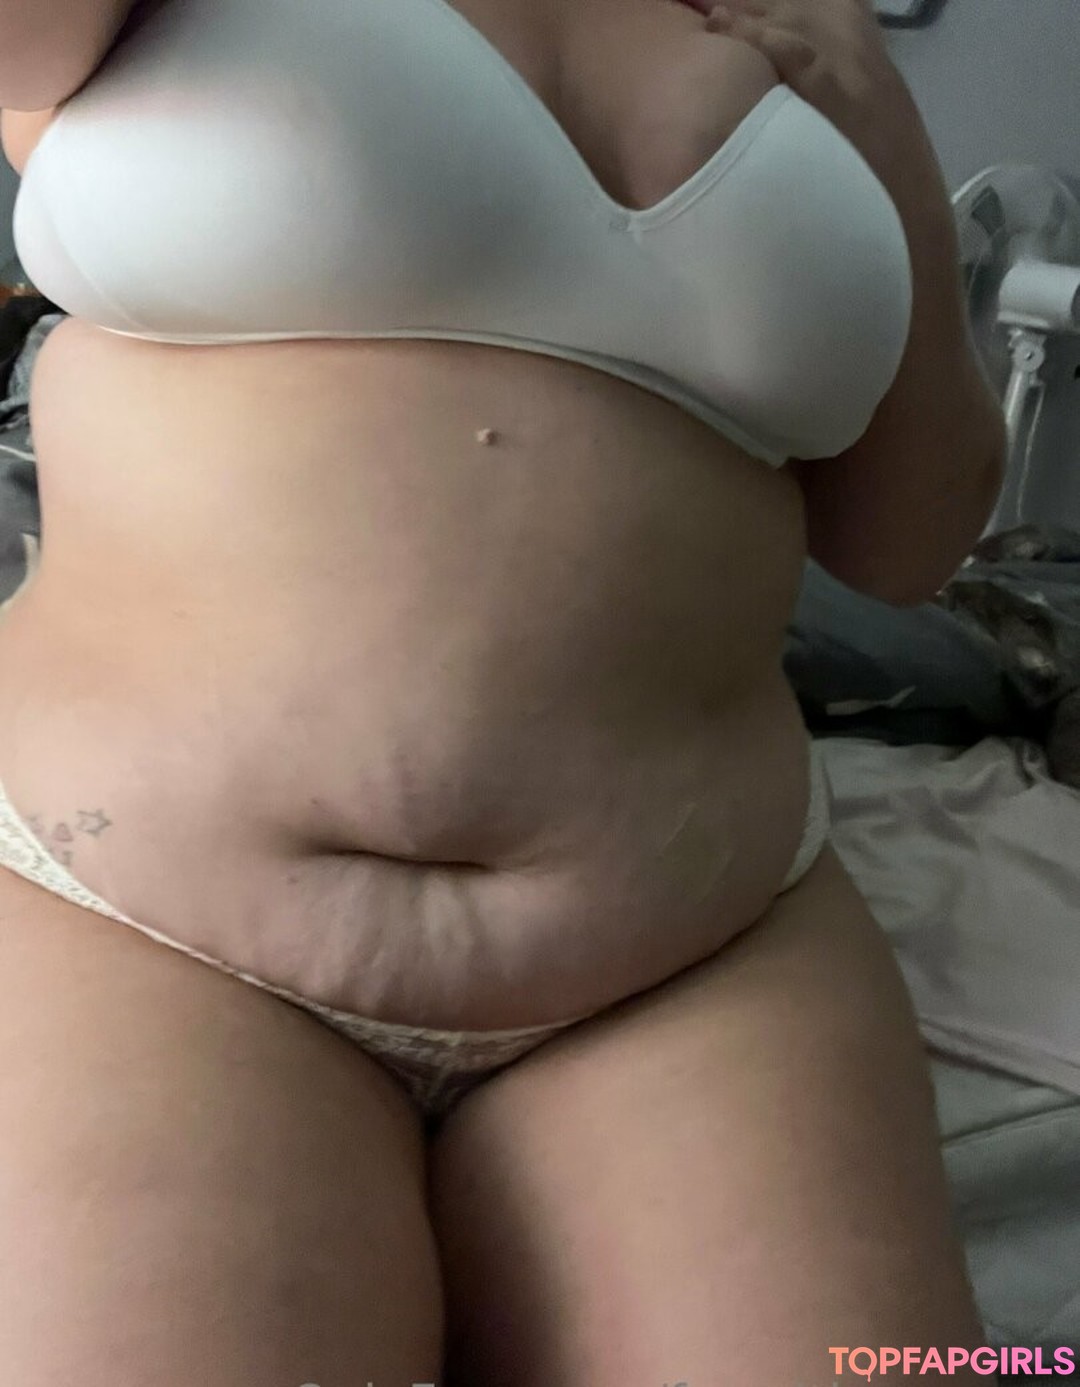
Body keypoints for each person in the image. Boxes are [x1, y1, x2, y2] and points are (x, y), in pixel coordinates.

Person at [0, 0, 1006, 1381]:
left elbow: (912, 543)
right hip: (137, 916)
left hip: (697, 953)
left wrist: (877, 119)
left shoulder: (794, 26)